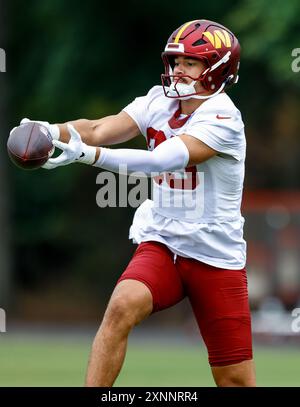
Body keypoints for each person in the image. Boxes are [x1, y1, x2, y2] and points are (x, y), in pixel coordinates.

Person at [16, 19, 256, 386]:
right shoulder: (158, 101)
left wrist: (87, 156)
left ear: (216, 69)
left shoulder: (223, 118)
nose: (177, 70)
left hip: (214, 254)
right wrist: (52, 130)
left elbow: (160, 161)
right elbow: (98, 129)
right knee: (121, 306)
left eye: (189, 63)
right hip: (163, 240)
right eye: (174, 62)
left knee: (234, 379)